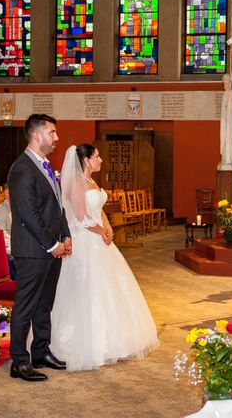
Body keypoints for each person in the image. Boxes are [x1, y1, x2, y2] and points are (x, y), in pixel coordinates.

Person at [51, 144, 159, 371]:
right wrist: (101, 232)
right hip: (84, 243)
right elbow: (80, 219)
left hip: (99, 239)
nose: (101, 159)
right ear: (87, 160)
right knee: (87, 290)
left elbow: (98, 210)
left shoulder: (92, 182)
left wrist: (108, 227)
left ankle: (115, 341)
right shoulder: (76, 184)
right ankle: (86, 345)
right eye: (97, 156)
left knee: (110, 289)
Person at [8, 114, 72, 382]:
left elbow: (57, 207)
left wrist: (66, 235)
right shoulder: (22, 168)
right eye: (53, 132)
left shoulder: (46, 166)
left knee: (44, 303)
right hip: (34, 250)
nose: (57, 138)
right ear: (37, 135)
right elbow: (27, 213)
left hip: (51, 248)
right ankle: (19, 361)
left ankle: (40, 351)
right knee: (25, 305)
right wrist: (52, 244)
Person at [0, 182, 16, 279]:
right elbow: (1, 236)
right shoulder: (0, 211)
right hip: (6, 247)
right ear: (6, 193)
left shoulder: (20, 208)